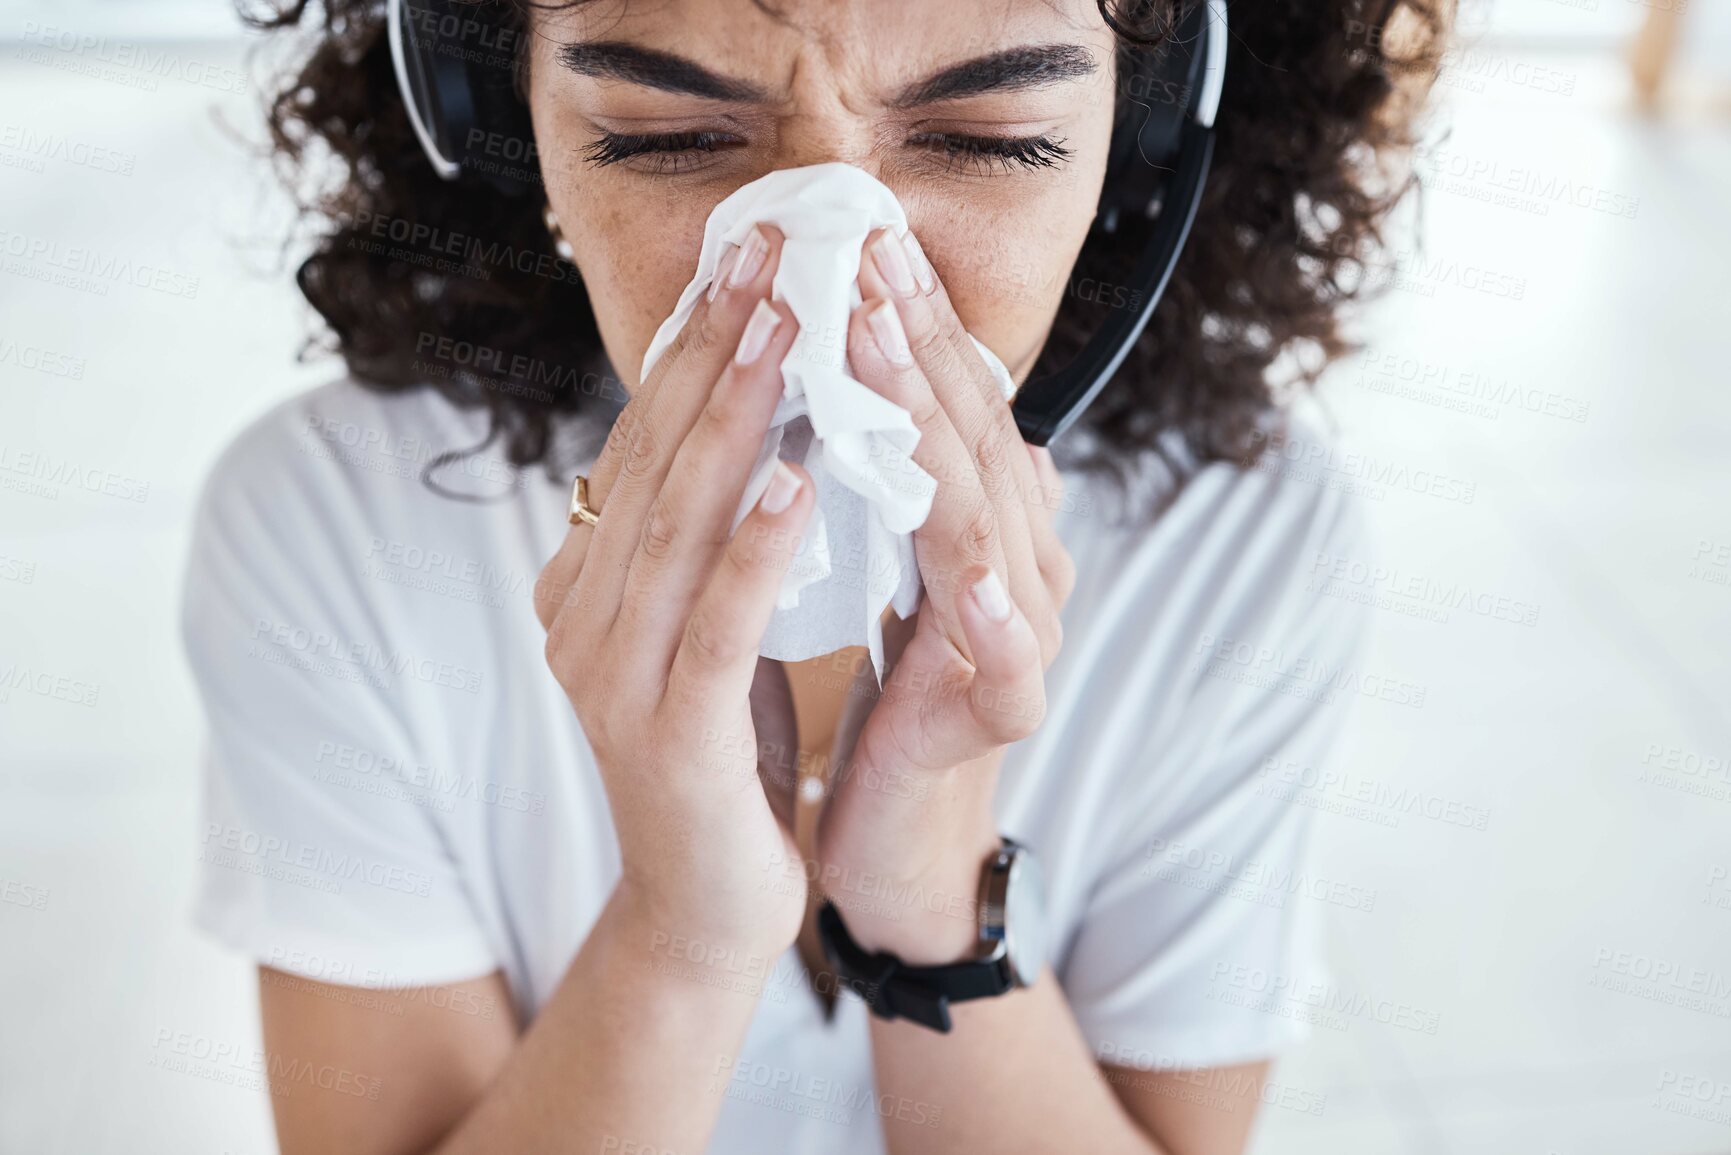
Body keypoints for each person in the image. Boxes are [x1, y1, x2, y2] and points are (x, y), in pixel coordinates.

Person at [182, 1, 1447, 1151]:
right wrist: (682, 932)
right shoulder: (332, 523)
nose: (825, 276)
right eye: (666, 134)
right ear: (494, 104)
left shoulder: (1242, 542)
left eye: (988, 138)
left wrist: (930, 895)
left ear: (1141, 139)